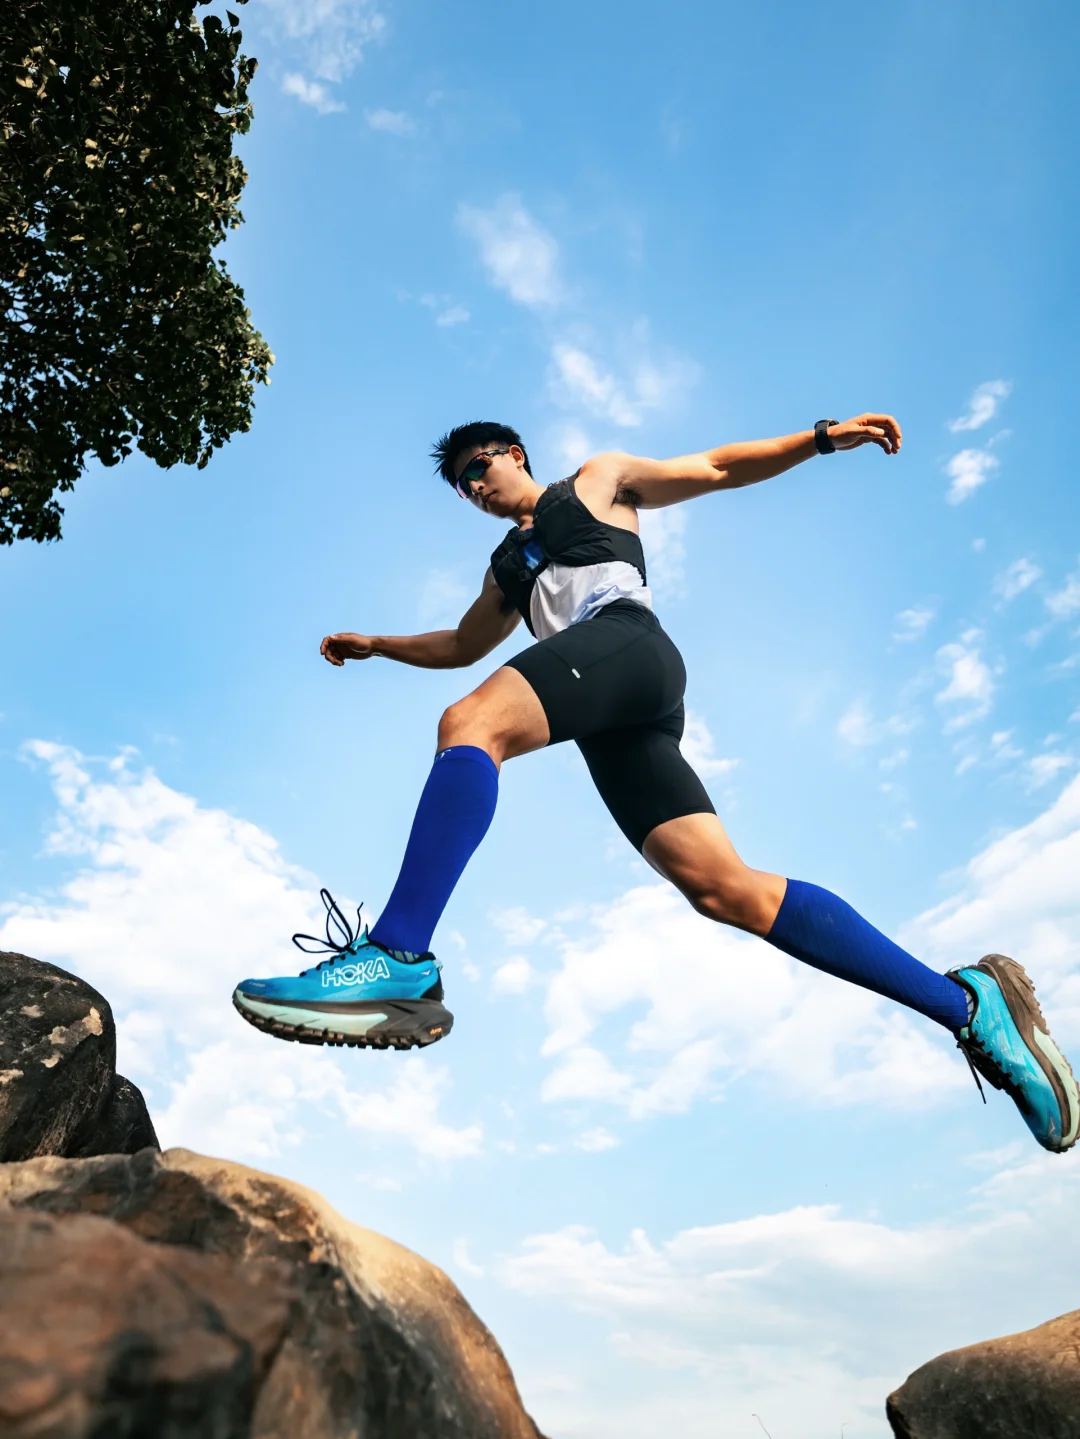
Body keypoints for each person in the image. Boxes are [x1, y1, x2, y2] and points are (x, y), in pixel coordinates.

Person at [233, 416, 1079, 1153]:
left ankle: (397, 956)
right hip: (611, 717)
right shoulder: (505, 570)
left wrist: (821, 439)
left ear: (513, 453)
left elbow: (715, 467)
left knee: (470, 724)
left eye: (478, 468)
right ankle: (970, 1007)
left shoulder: (596, 481)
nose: (474, 488)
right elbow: (462, 642)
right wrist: (378, 644)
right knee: (726, 890)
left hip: (629, 646)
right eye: (461, 486)